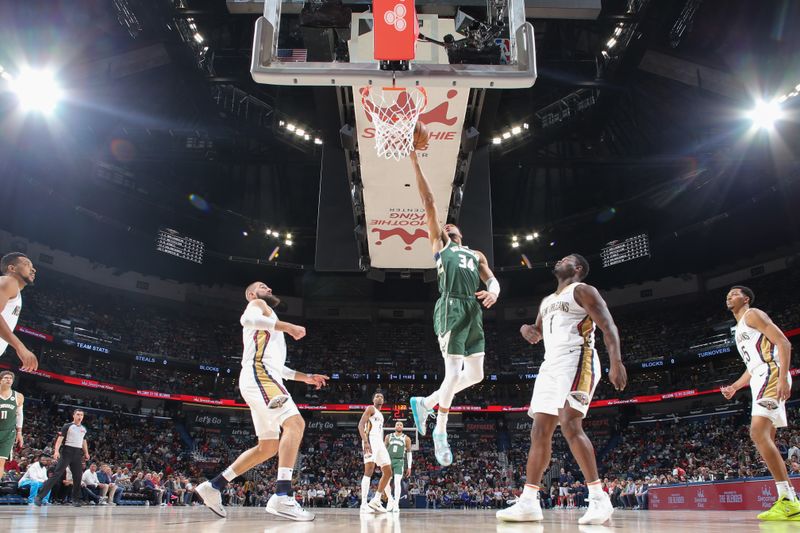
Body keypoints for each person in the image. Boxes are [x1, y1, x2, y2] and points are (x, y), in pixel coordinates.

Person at [497, 254, 627, 525]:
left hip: (578, 358)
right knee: (539, 430)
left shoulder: (582, 290)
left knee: (569, 423)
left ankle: (599, 498)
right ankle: (529, 503)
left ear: (577, 268)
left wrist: (617, 362)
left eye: (566, 258)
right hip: (550, 366)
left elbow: (607, 324)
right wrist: (526, 329)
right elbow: (537, 330)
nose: (559, 260)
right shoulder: (547, 301)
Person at [195, 281, 328, 521]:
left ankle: (213, 486)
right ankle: (282, 495)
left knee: (267, 447)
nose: (268, 288)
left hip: (264, 377)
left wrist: (306, 378)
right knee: (295, 424)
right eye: (262, 286)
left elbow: (280, 368)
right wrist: (287, 326)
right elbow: (246, 320)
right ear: (251, 293)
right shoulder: (257, 305)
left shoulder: (270, 321)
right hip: (260, 375)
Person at [407, 149, 500, 466]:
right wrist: (415, 162)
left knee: (476, 375)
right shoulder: (440, 245)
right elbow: (429, 204)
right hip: (450, 308)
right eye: (443, 226)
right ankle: (440, 432)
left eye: (451, 225)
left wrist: (494, 293)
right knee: (454, 372)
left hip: (473, 310)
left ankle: (426, 402)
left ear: (461, 233)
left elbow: (493, 281)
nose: (446, 225)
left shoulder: (476, 254)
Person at [721, 285, 798, 520]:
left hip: (771, 372)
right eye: (728, 294)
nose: (729, 296)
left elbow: (784, 343)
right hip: (759, 375)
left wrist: (784, 377)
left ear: (746, 298)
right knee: (766, 439)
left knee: (757, 433)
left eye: (735, 293)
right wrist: (735, 386)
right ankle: (787, 499)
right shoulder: (739, 328)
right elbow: (751, 365)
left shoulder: (752, 314)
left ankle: (789, 499)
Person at [35, 408, 91, 507]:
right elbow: (59, 439)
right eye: (78, 414)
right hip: (67, 451)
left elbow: (84, 441)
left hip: (77, 453)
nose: (79, 417)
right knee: (56, 475)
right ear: (73, 415)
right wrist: (56, 451)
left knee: (78, 477)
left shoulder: (84, 428)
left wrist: (86, 453)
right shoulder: (67, 426)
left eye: (81, 415)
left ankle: (75, 499)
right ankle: (39, 497)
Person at [0, 253, 38, 371]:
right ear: (12, 268)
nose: (33, 269)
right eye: (27, 264)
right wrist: (20, 346)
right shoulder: (9, 281)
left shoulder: (16, 292)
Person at [358, 392, 395, 513]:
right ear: (373, 399)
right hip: (370, 440)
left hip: (379, 442)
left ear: (383, 401)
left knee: (388, 472)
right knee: (369, 470)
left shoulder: (381, 415)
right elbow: (360, 425)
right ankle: (363, 504)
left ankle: (376, 500)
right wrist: (365, 441)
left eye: (381, 397)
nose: (379, 397)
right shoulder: (370, 408)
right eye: (377, 396)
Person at [0, 371, 24, 478]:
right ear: (1, 380)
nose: (8, 379)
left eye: (10, 378)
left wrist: (19, 433)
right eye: (6, 377)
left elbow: (19, 415)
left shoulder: (18, 396)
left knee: (1, 463)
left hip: (8, 432)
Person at [385, 420, 412, 513]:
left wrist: (409, 467)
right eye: (397, 424)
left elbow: (409, 453)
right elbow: (384, 450)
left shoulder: (406, 438)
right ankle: (390, 500)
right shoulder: (388, 437)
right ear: (395, 426)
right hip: (388, 461)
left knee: (397, 482)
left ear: (403, 427)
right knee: (385, 482)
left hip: (399, 461)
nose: (399, 426)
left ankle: (396, 504)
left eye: (401, 425)